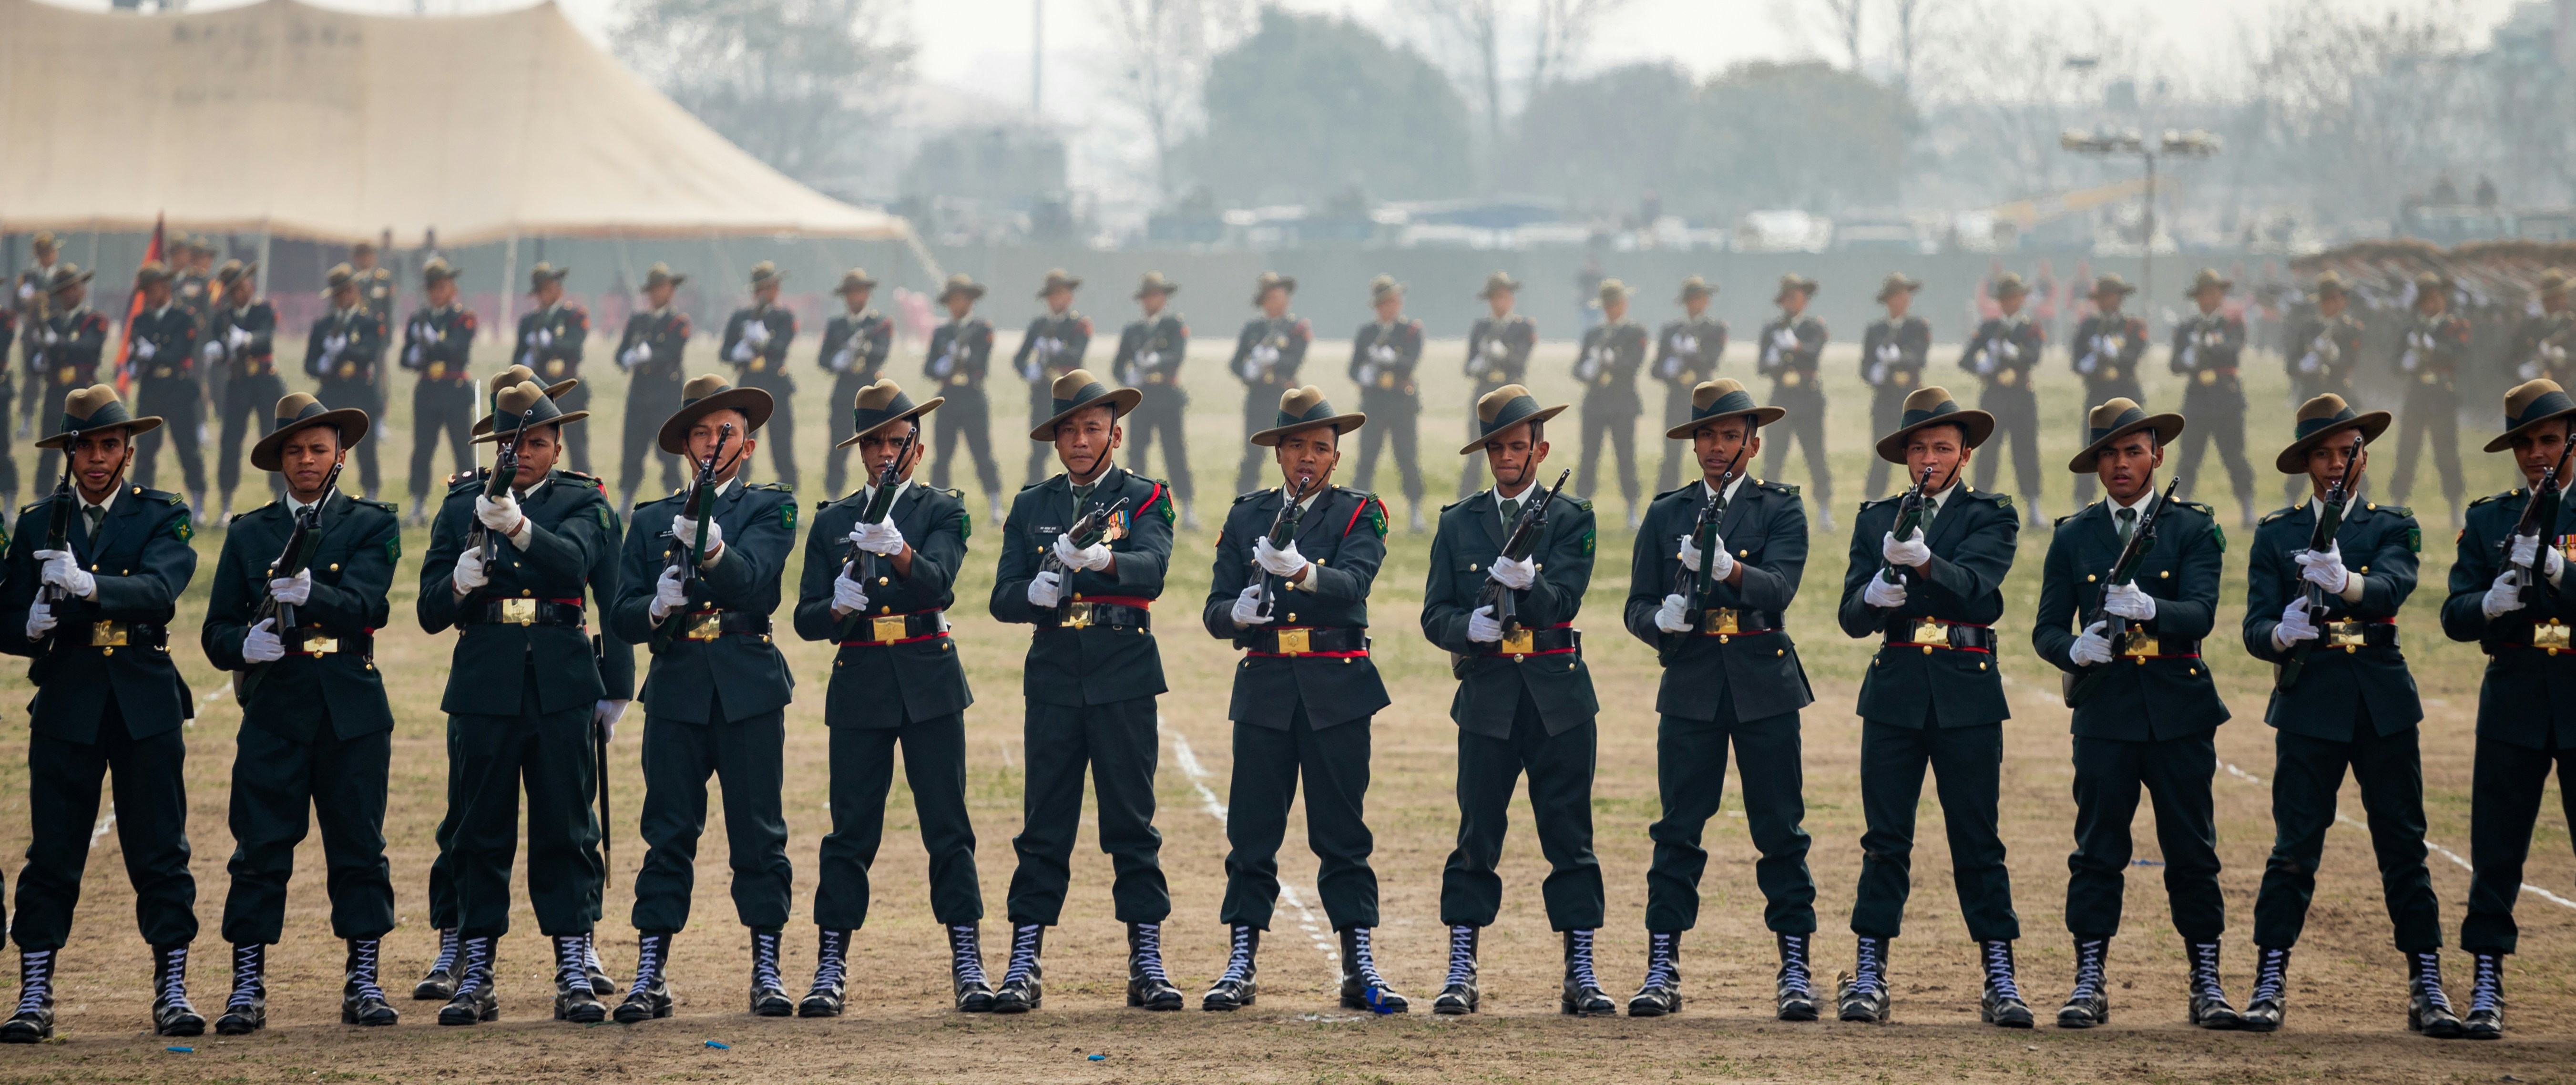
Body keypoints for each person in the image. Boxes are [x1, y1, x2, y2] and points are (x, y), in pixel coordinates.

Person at [414, 381, 633, 1027]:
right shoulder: (461, 506)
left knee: (566, 827)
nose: (524, 453)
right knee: (480, 831)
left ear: (557, 444)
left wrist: (615, 688)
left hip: (563, 680)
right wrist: (456, 583)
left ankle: (572, 964)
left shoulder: (582, 501)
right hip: (485, 679)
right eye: (511, 442)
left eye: (536, 442)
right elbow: (428, 611)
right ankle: (476, 969)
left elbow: (588, 573)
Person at [2246, 393, 2456, 1035]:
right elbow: (2254, 626)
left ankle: (2427, 982)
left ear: (2363, 457)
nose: (2337, 464)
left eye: (2348, 452)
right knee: (2293, 848)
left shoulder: (2392, 524)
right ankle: (2269, 976)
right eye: (2324, 454)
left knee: (2403, 845)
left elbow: (2393, 588)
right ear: (2306, 461)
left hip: (2380, 701)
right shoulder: (2277, 532)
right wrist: (2279, 635)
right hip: (2310, 701)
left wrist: (2347, 585)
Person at [0, 386, 201, 1042]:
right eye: (84, 445)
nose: (96, 458)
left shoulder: (161, 515)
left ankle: (171, 986)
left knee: (159, 849)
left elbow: (160, 591)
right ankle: (34, 991)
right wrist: (24, 627)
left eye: (108, 444)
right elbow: (8, 612)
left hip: (144, 697)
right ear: (68, 452)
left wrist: (90, 585)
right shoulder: (38, 521)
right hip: (68, 697)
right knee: (53, 852)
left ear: (128, 449)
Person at [1199, 386, 1408, 1014]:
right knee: (1252, 832)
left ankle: (1358, 961)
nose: (1307, 459)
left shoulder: (1358, 513)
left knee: (1342, 833)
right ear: (1279, 452)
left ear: (1336, 457)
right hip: (1266, 687)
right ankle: (1241, 959)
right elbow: (1214, 611)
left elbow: (1354, 584)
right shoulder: (1245, 516)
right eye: (1297, 447)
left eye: (1321, 448)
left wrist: (1299, 572)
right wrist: (1235, 615)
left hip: (1336, 688)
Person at [199, 393, 403, 1034]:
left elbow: (374, 604)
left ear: (339, 454)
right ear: (280, 461)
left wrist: (320, 593)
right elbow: (215, 629)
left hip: (350, 703)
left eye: (318, 448)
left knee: (359, 847)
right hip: (277, 705)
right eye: (295, 450)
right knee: (259, 848)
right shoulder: (249, 532)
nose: (307, 460)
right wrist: (242, 645)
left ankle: (363, 978)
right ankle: (247, 984)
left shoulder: (371, 523)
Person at [2033, 399, 2237, 1031]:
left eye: (2133, 451)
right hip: (2106, 711)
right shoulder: (2074, 534)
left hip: (2178, 708)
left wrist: (2153, 608)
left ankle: (2206, 980)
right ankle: (2088, 978)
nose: (2120, 464)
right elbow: (2044, 629)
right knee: (2097, 851)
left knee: (2192, 852)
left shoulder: (2193, 529)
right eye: (2108, 454)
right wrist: (2073, 649)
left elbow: (2201, 612)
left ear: (2158, 455)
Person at [1622, 379, 1818, 1021]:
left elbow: (1781, 588)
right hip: (1693, 680)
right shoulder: (1666, 512)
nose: (1716, 448)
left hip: (1764, 680)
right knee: (1678, 828)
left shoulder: (1780, 508)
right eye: (1706, 435)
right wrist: (1662, 621)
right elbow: (1636, 604)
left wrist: (1730, 571)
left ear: (1753, 444)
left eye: (1730, 436)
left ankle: (1795, 967)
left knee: (1780, 829)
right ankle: (1662, 965)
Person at [986, 370, 1180, 1013]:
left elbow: (1152, 571)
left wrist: (1102, 562)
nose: (1079, 439)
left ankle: (1146, 959)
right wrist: (1033, 594)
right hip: (1054, 677)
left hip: (1123, 671)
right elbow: (1001, 595)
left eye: (1092, 427)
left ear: (1115, 434)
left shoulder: (1147, 498)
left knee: (1131, 822)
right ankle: (1024, 962)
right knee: (1044, 827)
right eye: (1069, 429)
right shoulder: (1033, 504)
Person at [793, 379, 988, 1015]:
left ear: (918, 449)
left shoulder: (941, 510)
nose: (886, 454)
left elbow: (938, 584)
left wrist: (899, 550)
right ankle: (830, 964)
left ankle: (967, 957)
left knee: (947, 827)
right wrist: (835, 608)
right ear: (860, 450)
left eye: (897, 442)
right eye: (874, 442)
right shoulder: (831, 519)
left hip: (929, 678)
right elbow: (804, 617)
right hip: (862, 681)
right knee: (850, 831)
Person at [609, 376, 800, 1023]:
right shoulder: (645, 518)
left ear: (746, 445)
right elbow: (622, 614)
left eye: (726, 432)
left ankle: (766, 968)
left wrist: (710, 543)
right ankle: (650, 972)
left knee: (759, 834)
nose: (714, 443)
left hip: (748, 686)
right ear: (685, 446)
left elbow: (755, 585)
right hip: (678, 687)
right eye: (701, 433)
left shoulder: (772, 508)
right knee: (667, 833)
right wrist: (656, 607)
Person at [1832, 387, 2022, 1025]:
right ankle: (1868, 970)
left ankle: (2000, 974)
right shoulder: (1875, 518)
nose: (1930, 459)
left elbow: (1979, 590)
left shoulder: (1991, 515)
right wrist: (1878, 595)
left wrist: (1927, 562)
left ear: (1965, 455)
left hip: (1967, 690)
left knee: (1977, 839)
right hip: (1896, 689)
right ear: (1905, 457)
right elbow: (1850, 617)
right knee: (1885, 839)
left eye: (1943, 447)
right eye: (1919, 449)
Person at [1423, 385, 1610, 1017]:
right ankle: (1461, 968)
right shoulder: (1459, 521)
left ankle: (1580, 969)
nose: (1508, 457)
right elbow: (1435, 612)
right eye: (1498, 447)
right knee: (1477, 834)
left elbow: (1567, 600)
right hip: (1489, 696)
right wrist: (1463, 631)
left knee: (1569, 837)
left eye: (1519, 446)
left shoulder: (1572, 516)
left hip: (1558, 694)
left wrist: (1529, 585)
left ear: (1541, 449)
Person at [2443, 379, 2576, 1041]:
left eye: (2547, 440)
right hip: (2515, 698)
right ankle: (2487, 980)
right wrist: (2487, 604)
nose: (2534, 454)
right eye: (2523, 443)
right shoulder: (2492, 516)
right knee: (2496, 850)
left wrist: (2559, 570)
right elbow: (2454, 613)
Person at [2168, 269, 2258, 527]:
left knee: (2234, 454)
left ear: (2220, 295)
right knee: (2189, 455)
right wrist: (2189, 358)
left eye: (2214, 293)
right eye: (2205, 294)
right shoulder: (2187, 327)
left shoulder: (2230, 324)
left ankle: (2247, 507)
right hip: (2197, 397)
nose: (2209, 298)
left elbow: (2232, 351)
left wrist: (2206, 348)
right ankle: (2179, 506)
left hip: (2225, 396)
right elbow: (2175, 364)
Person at [1960, 274, 2046, 525]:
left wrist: (2015, 353)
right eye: (2006, 298)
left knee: (2026, 450)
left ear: (2021, 299)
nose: (2011, 302)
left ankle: (2033, 507)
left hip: (2021, 394)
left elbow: (2035, 355)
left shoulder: (2030, 327)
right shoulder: (1989, 328)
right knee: (1988, 451)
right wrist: (1981, 365)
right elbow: (1966, 359)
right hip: (1995, 395)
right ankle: (1979, 503)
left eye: (2015, 297)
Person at [401, 259, 479, 527]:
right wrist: (415, 353)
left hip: (454, 390)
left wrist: (431, 341)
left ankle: (469, 501)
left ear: (452, 289)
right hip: (428, 392)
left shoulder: (462, 317)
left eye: (442, 287)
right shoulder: (419, 318)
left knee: (462, 451)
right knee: (422, 451)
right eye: (433, 288)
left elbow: (457, 349)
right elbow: (405, 357)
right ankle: (418, 503)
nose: (437, 293)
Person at [2391, 271, 2472, 529]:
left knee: (2447, 453)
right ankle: (2399, 502)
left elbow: (2458, 355)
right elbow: (2395, 363)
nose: (2431, 304)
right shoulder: (2410, 328)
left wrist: (2432, 348)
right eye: (2426, 300)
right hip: (2416, 395)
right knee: (2407, 451)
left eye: (2435, 298)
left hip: (2442, 396)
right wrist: (2406, 363)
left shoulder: (2455, 326)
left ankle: (2454, 507)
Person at [1114, 272, 1195, 529]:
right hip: (1141, 398)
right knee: (1136, 452)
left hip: (1167, 397)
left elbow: (1177, 355)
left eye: (1157, 296)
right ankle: (1135, 507)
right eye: (1149, 297)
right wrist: (1129, 375)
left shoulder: (1173, 326)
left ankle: (1187, 507)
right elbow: (1118, 365)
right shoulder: (1133, 330)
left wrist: (1157, 361)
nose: (1153, 301)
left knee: (1175, 452)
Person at [124, 262, 206, 513]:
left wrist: (153, 353)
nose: (148, 296)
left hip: (177, 387)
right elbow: (134, 354)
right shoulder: (141, 320)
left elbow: (178, 353)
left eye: (151, 290)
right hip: (151, 390)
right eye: (145, 292)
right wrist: (134, 361)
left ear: (164, 287)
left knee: (188, 447)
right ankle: (139, 501)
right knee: (146, 450)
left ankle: (198, 502)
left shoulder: (184, 317)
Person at [613, 264, 695, 514]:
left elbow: (672, 352)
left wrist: (649, 356)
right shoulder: (638, 320)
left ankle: (676, 498)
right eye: (655, 289)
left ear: (671, 291)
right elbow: (620, 354)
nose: (659, 293)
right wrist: (628, 358)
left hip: (666, 394)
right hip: (640, 393)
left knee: (669, 451)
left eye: (664, 288)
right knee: (633, 448)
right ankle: (626, 498)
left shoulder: (678, 322)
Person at [924, 274, 1005, 524]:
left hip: (972, 396)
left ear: (970, 301)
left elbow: (982, 363)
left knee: (982, 452)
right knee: (942, 455)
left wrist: (965, 357)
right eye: (953, 300)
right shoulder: (942, 332)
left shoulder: (982, 330)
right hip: (947, 397)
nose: (957, 305)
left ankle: (995, 504)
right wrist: (942, 365)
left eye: (962, 299)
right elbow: (927, 368)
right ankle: (938, 504)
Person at [1348, 276, 1425, 532]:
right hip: (1374, 403)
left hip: (1401, 402)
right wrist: (1364, 375)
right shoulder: (1367, 333)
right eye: (1385, 303)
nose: (1391, 307)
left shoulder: (1410, 331)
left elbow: (1410, 363)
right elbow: (1353, 368)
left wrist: (1390, 360)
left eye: (1394, 301)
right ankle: (1358, 510)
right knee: (1367, 458)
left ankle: (1415, 511)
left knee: (1406, 457)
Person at [1757, 275, 1833, 533]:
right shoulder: (1772, 329)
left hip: (1807, 397)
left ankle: (1824, 510)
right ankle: (1767, 508)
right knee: (1774, 456)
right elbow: (1761, 365)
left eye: (1797, 296)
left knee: (1815, 455)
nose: (1793, 302)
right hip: (1781, 398)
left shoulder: (1814, 326)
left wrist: (1796, 347)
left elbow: (1814, 350)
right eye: (1789, 297)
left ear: (1805, 299)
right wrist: (1773, 359)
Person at [209, 260, 285, 520]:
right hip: (238, 381)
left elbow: (266, 336)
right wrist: (219, 349)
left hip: (265, 380)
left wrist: (246, 339)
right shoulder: (223, 316)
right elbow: (217, 342)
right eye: (237, 289)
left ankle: (280, 495)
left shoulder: (263, 309)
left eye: (245, 286)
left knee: (274, 438)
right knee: (231, 440)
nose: (243, 292)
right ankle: (226, 500)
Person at [305, 265, 386, 499]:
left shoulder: (369, 321)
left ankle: (371, 493)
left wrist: (345, 349)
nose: (344, 297)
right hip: (333, 392)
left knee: (367, 450)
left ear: (355, 291)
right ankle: (322, 494)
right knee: (325, 448)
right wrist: (321, 364)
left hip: (361, 393)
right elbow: (309, 364)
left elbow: (369, 353)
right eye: (339, 293)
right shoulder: (323, 325)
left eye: (347, 291)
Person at [1574, 279, 1649, 529]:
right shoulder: (1594, 334)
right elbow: (1577, 368)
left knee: (1626, 456)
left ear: (1624, 304)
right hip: (1595, 403)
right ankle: (1582, 508)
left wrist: (1611, 362)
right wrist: (1589, 369)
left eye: (1616, 304)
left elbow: (1633, 365)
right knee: (1589, 457)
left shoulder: (1634, 332)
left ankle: (1631, 509)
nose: (1612, 309)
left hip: (1622, 403)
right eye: (1608, 305)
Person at [2285, 273, 2365, 505]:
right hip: (2312, 395)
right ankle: (2291, 497)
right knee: (2306, 447)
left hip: (2340, 396)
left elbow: (2352, 360)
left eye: (2334, 299)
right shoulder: (2308, 328)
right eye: (2325, 300)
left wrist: (2333, 358)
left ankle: (2358, 497)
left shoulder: (2352, 329)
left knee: (2350, 449)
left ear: (2342, 301)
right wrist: (2304, 366)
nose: (2330, 304)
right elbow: (2291, 364)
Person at [25, 266, 107, 490]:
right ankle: (42, 498)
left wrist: (57, 343)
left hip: (83, 393)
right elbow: (34, 360)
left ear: (82, 291)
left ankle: (90, 493)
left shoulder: (93, 320)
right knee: (49, 449)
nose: (70, 294)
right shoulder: (51, 322)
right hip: (55, 392)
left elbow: (88, 347)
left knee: (87, 450)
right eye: (64, 290)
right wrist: (38, 359)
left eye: (74, 288)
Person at [2070, 276, 2150, 507]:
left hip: (2126, 392)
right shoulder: (2088, 327)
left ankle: (2140, 496)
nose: (2108, 301)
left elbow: (2135, 354)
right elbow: (2076, 361)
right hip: (2098, 393)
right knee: (2092, 447)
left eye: (2112, 296)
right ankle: (2083, 501)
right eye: (2104, 297)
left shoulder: (2131, 326)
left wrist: (2113, 353)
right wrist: (2089, 362)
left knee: (2135, 447)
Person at [816, 268, 895, 498]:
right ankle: (833, 494)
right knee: (838, 444)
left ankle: (881, 492)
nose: (855, 298)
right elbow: (823, 359)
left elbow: (882, 352)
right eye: (850, 293)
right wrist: (838, 360)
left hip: (871, 389)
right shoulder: (837, 325)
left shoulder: (879, 323)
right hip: (844, 388)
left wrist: (865, 350)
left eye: (859, 292)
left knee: (878, 444)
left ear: (867, 294)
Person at [1229, 272, 1311, 495]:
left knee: (1295, 453)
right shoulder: (1253, 329)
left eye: (1279, 296)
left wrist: (1276, 360)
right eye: (1270, 297)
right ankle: (1244, 499)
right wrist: (1248, 371)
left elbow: (1295, 360)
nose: (1275, 302)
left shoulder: (1297, 328)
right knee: (1252, 452)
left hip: (1286, 399)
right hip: (1258, 396)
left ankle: (1299, 498)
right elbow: (1236, 362)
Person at [719, 263, 798, 490]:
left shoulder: (784, 316)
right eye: (765, 287)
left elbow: (782, 346)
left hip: (775, 385)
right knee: (741, 444)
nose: (770, 292)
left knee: (782, 445)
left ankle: (788, 496)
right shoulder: (741, 317)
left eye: (773, 287)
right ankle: (738, 493)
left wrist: (764, 343)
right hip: (749, 386)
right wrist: (738, 353)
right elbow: (725, 352)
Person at [1460, 273, 1537, 498]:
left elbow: (1521, 361)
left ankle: (1522, 498)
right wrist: (1479, 364)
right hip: (1485, 394)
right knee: (1475, 452)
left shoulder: (1523, 327)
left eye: (1503, 297)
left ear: (1511, 299)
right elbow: (1468, 366)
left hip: (1512, 395)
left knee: (1517, 451)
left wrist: (1502, 354)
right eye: (1495, 298)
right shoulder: (1481, 327)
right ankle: (1466, 500)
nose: (1499, 303)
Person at [1015, 269, 1094, 487]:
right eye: (1052, 295)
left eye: (1060, 294)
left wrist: (1056, 350)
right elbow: (1019, 358)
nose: (1056, 300)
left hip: (1071, 396)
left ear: (1070, 296)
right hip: (1042, 393)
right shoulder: (1039, 325)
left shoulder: (1079, 325)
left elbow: (1077, 355)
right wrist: (1029, 371)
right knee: (1038, 450)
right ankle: (1033, 491)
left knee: (1075, 447)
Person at [514, 263, 593, 474]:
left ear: (559, 289)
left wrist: (551, 343)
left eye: (548, 288)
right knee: (538, 443)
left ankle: (584, 486)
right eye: (541, 290)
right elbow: (517, 358)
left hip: (568, 387)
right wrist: (527, 358)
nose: (544, 295)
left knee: (578, 445)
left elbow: (575, 345)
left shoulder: (573, 316)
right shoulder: (529, 321)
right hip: (540, 391)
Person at [1651, 277, 1727, 496]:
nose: (1696, 304)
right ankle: (1665, 499)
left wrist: (1695, 353)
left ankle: (1715, 497)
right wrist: (1669, 370)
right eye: (1692, 300)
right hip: (1676, 397)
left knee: (1712, 452)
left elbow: (1712, 360)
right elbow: (1655, 369)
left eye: (1700, 299)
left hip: (1703, 400)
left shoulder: (1714, 329)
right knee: (1671, 454)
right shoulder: (1671, 330)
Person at [1861, 275, 1931, 499]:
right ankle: (1873, 502)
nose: (1901, 300)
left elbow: (1919, 357)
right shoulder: (1876, 330)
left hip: (1911, 401)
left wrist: (1898, 357)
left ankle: (1927, 499)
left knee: (1922, 455)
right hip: (1885, 400)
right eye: (1896, 296)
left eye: (1904, 295)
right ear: (1888, 300)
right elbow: (1865, 366)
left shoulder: (1918, 327)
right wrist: (1874, 374)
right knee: (1881, 454)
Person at [13, 233, 63, 438]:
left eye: (51, 252)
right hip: (32, 331)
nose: (50, 256)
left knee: (59, 375)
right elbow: (17, 305)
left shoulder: (61, 276)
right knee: (31, 378)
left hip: (55, 330)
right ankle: (26, 420)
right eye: (45, 253)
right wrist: (27, 298)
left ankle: (60, 419)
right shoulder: (28, 278)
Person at [2511, 269, 2573, 386]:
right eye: (2552, 298)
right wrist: (2521, 370)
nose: (2561, 300)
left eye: (2562, 296)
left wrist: (2567, 357)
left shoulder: (2571, 324)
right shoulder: (2530, 326)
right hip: (2535, 391)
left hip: (2567, 392)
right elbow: (2512, 357)